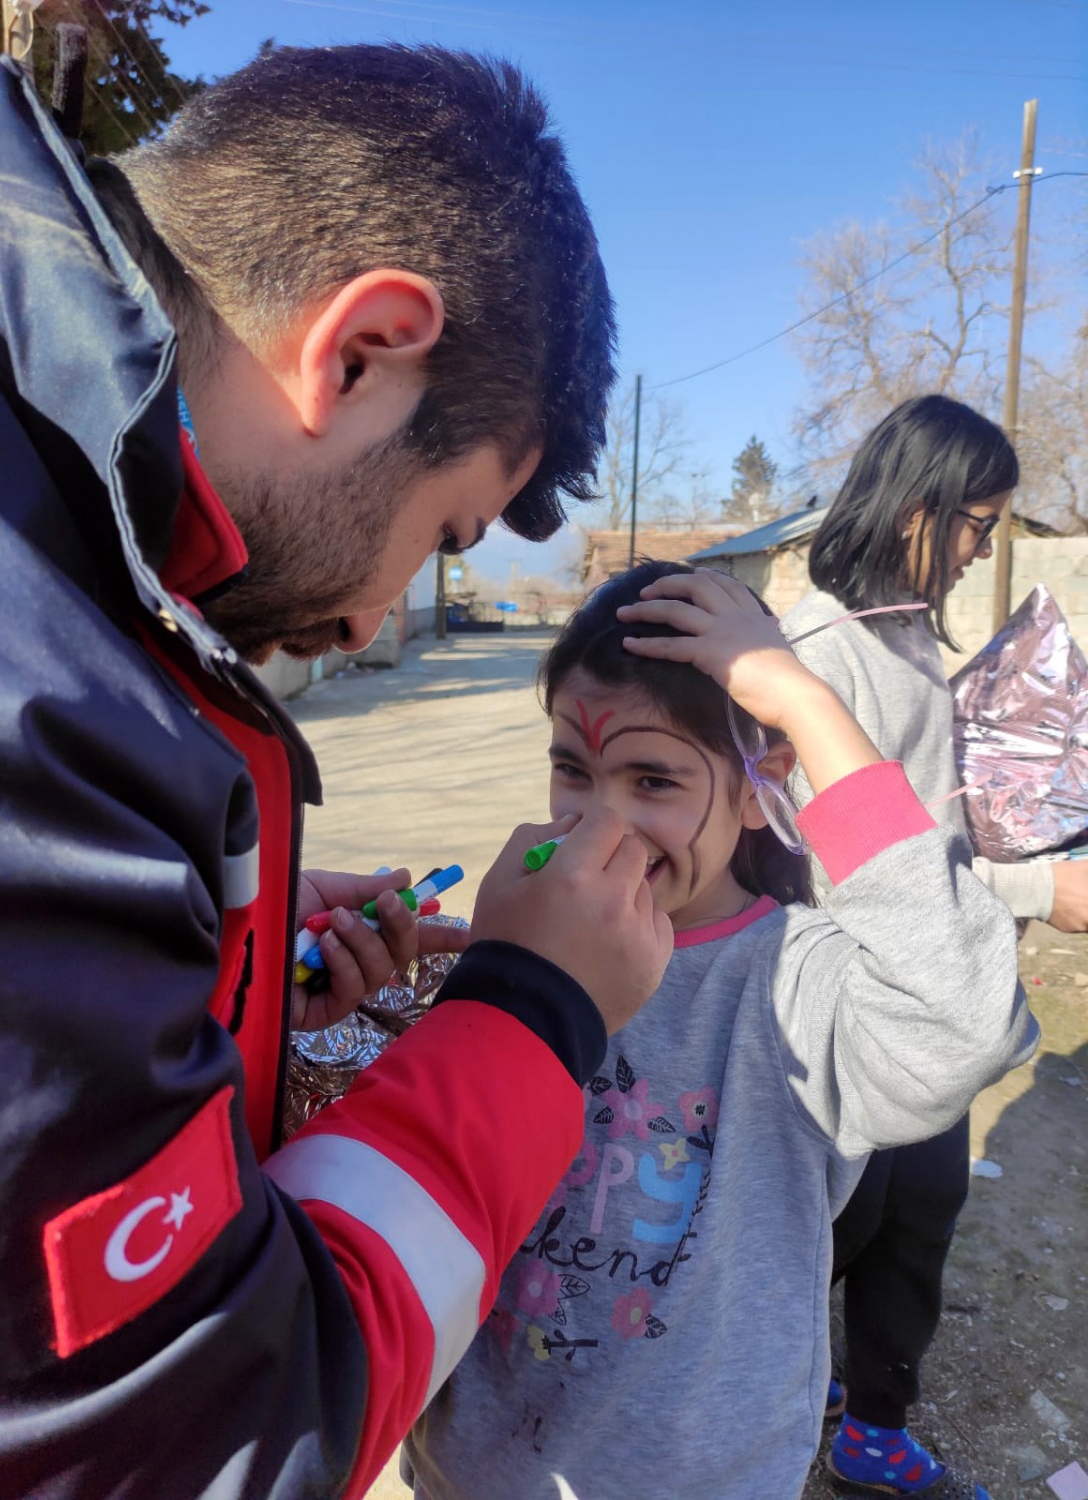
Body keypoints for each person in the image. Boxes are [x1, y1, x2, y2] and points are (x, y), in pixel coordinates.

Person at [0, 40, 676, 1499]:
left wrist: (199, 970)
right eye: (448, 532)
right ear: (360, 350)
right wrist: (532, 1012)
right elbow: (215, 1434)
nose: (369, 620)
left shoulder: (33, 496)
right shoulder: (20, 663)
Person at [403, 561, 1037, 1500]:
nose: (598, 824)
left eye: (652, 779)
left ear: (756, 788)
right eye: (572, 770)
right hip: (474, 1467)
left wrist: (799, 700)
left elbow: (963, 1014)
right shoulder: (516, 942)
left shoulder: (796, 983)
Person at [783, 394, 1088, 1500]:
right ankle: (806, 1377)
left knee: (918, 1220)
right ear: (918, 507)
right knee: (846, 1220)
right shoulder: (821, 653)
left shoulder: (905, 635)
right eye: (975, 523)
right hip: (868, 1003)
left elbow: (932, 816)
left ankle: (870, 1428)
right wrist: (1036, 886)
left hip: (932, 987)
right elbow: (852, 860)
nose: (978, 550)